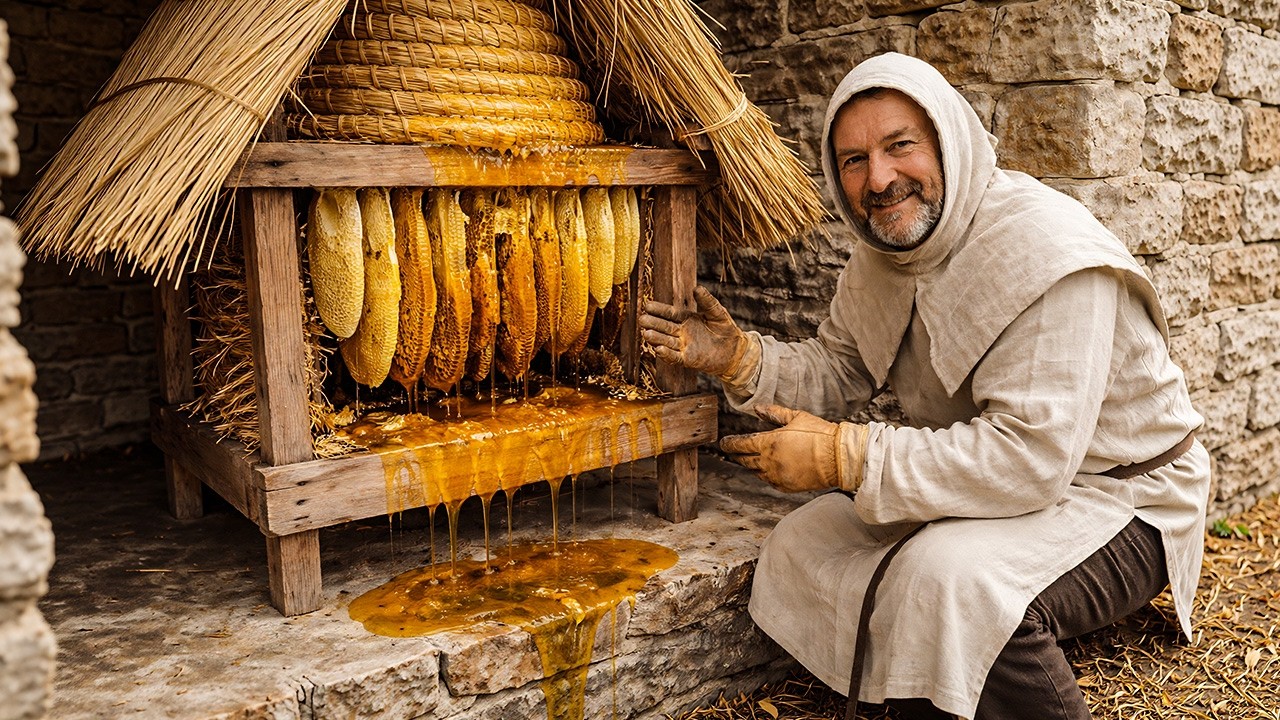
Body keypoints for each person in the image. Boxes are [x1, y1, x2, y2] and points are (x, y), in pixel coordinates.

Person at [639, 53, 1210, 720]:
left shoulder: (1048, 251)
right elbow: (837, 371)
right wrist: (736, 357)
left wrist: (843, 457)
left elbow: (1032, 460)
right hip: (1001, 486)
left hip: (1122, 497)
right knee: (802, 541)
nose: (878, 179)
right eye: (854, 160)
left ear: (948, 139)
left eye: (899, 146)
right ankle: (918, 688)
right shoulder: (882, 256)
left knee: (947, 578)